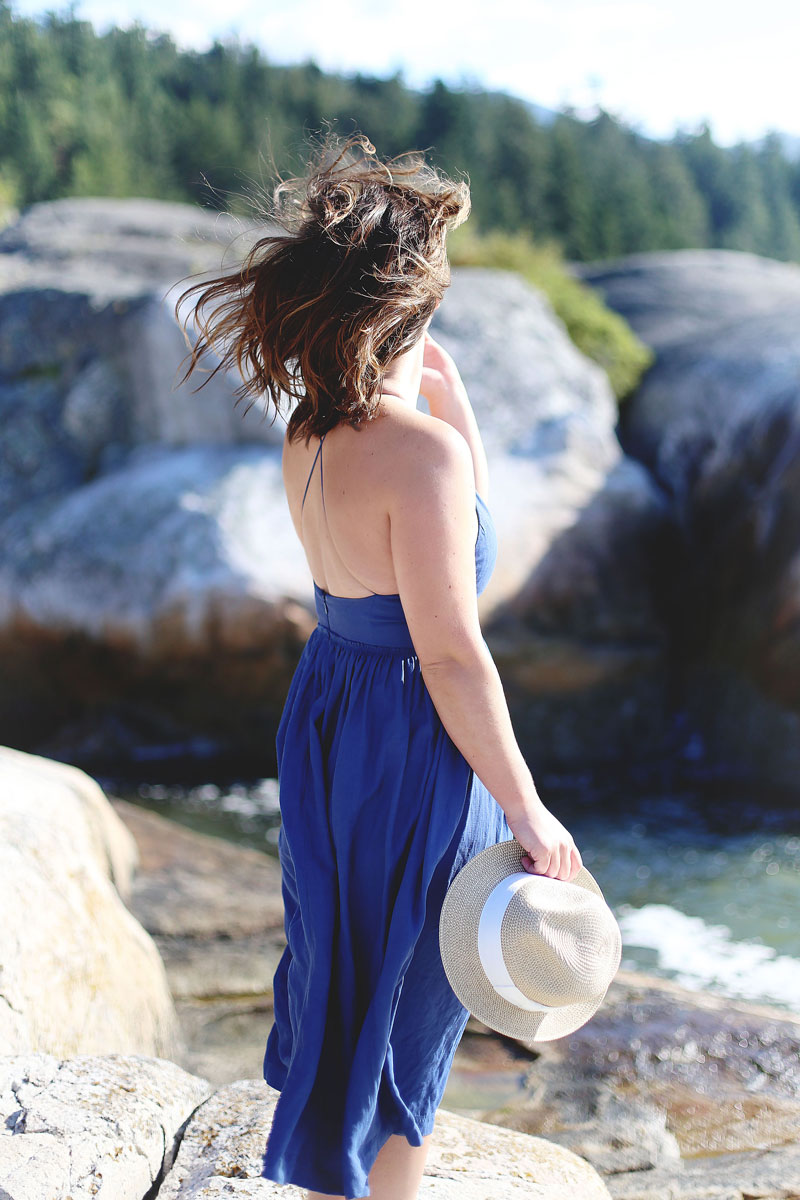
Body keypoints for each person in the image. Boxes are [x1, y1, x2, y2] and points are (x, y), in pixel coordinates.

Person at [173, 131, 582, 1200]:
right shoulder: (417, 454)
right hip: (413, 736)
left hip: (332, 717)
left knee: (350, 972)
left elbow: (450, 549)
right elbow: (453, 648)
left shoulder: (312, 428)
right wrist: (527, 808)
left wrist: (446, 396)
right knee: (412, 993)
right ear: (407, 305)